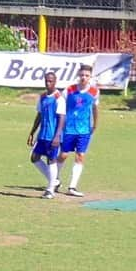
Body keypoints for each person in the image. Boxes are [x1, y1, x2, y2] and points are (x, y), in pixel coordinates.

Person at [56, 64, 99, 197]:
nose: (83, 78)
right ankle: (54, 179)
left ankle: (72, 187)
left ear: (90, 77)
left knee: (80, 156)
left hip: (84, 129)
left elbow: (95, 109)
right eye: (81, 75)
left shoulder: (94, 92)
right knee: (63, 155)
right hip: (68, 128)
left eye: (86, 75)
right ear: (78, 75)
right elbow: (60, 105)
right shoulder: (69, 90)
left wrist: (95, 125)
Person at [27, 72, 66, 199]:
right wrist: (32, 132)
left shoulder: (58, 98)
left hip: (52, 135)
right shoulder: (43, 97)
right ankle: (54, 181)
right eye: (46, 81)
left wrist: (57, 136)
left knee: (51, 160)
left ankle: (50, 190)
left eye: (51, 81)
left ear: (55, 82)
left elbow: (61, 118)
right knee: (34, 157)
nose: (48, 83)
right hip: (42, 135)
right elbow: (39, 115)